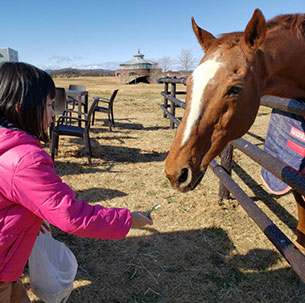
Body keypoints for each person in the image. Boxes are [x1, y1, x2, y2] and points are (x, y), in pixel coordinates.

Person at [0, 62, 153, 303]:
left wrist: (27, 216)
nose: (53, 113)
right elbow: (72, 215)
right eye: (49, 106)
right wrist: (128, 219)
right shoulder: (24, 160)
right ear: (22, 109)